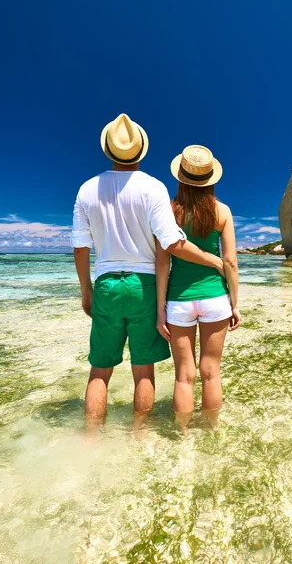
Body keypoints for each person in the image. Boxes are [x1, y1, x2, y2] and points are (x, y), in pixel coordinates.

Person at [71, 114, 224, 429]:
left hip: (106, 284)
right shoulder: (153, 188)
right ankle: (140, 436)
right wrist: (215, 261)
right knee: (143, 370)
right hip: (144, 286)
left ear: (108, 151)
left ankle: (90, 438)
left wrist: (86, 290)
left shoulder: (86, 190)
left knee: (100, 371)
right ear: (140, 151)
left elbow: (80, 247)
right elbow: (172, 244)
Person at [155, 145, 241, 430]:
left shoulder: (168, 211)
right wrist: (235, 303)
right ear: (210, 179)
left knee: (184, 375)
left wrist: (160, 309)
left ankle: (182, 436)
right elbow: (229, 261)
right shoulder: (222, 211)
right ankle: (211, 429)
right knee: (211, 372)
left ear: (181, 177)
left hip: (178, 301)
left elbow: (162, 263)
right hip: (215, 298)